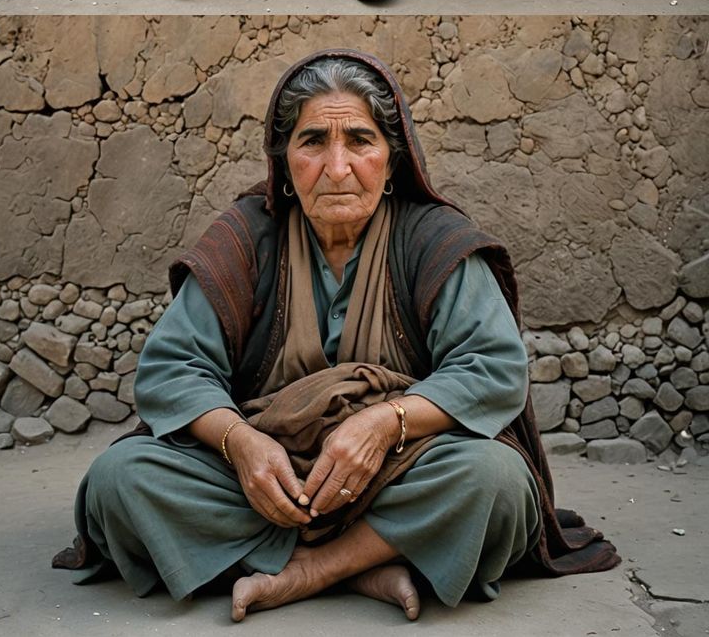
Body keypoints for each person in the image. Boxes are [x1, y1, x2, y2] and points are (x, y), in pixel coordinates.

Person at [56, 49, 619, 621]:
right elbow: (171, 369)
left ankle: (302, 570)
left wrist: (384, 422)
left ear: (393, 159)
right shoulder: (248, 237)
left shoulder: (432, 241)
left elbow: (493, 370)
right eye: (312, 143)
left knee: (494, 481)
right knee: (116, 482)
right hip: (261, 478)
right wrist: (241, 444)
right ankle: (369, 562)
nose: (337, 167)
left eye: (360, 141)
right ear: (284, 161)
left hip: (397, 469)